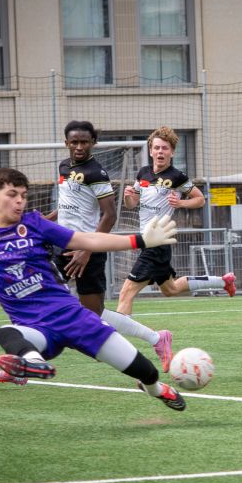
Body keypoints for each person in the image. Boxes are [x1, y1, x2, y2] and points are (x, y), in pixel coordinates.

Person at [0, 168, 187, 411]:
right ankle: (33, 363)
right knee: (7, 332)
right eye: (12, 194)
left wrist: (140, 240)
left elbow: (88, 239)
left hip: (74, 318)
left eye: (23, 195)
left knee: (146, 371)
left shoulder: (34, 224)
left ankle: (155, 390)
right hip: (38, 330)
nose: (19, 200)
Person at [35, 120, 173, 379]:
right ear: (66, 143)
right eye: (74, 142)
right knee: (44, 300)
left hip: (88, 250)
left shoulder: (96, 173)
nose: (78, 146)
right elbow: (66, 206)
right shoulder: (64, 166)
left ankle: (156, 338)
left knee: (93, 313)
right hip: (62, 246)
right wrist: (46, 219)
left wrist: (87, 251)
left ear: (93, 143)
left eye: (84, 142)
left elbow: (109, 215)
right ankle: (25, 361)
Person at [115, 125, 236, 322]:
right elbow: (132, 204)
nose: (160, 152)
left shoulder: (177, 177)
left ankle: (117, 342)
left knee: (126, 293)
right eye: (156, 148)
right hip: (148, 240)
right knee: (170, 289)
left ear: (172, 152)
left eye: (164, 148)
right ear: (151, 150)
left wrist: (180, 203)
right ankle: (222, 281)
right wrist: (128, 197)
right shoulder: (143, 173)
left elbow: (200, 199)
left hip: (157, 242)